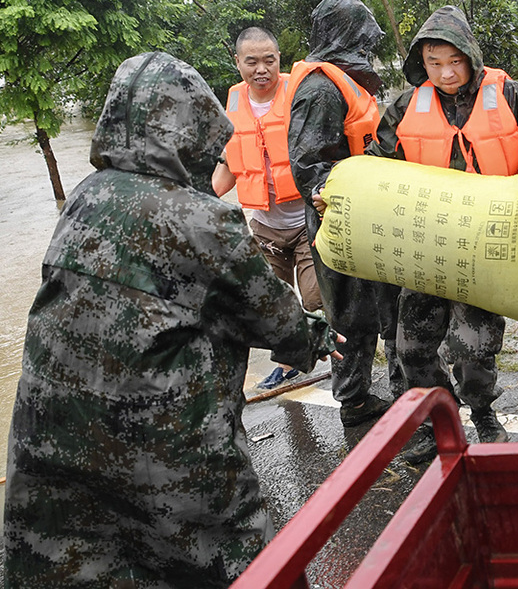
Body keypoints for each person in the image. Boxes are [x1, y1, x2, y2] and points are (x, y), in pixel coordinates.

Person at [3, 51, 341, 588]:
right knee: (245, 565)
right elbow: (273, 317)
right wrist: (319, 337)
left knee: (80, 561)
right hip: (163, 441)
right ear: (193, 130)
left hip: (51, 433)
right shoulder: (201, 217)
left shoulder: (83, 199)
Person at [368, 5, 518, 461]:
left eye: (454, 61)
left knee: (472, 348)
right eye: (434, 63)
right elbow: (376, 163)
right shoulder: (405, 104)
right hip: (425, 244)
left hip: (483, 243)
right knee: (411, 347)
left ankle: (483, 414)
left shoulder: (508, 93)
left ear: (471, 57)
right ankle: (443, 417)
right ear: (422, 62)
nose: (445, 72)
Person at [287, 0, 401, 427]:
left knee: (383, 304)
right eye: (361, 41)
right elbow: (308, 162)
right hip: (338, 216)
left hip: (366, 209)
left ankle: (391, 393)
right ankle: (354, 400)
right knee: (351, 310)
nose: (367, 50)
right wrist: (324, 192)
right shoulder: (320, 90)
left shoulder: (343, 81)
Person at [213, 27, 324, 390]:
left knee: (314, 297)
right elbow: (230, 165)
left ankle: (337, 352)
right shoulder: (232, 101)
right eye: (252, 62)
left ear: (279, 58)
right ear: (238, 63)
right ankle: (289, 363)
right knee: (269, 303)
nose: (262, 69)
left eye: (269, 60)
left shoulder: (301, 92)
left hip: (307, 219)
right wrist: (196, 197)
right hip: (264, 226)